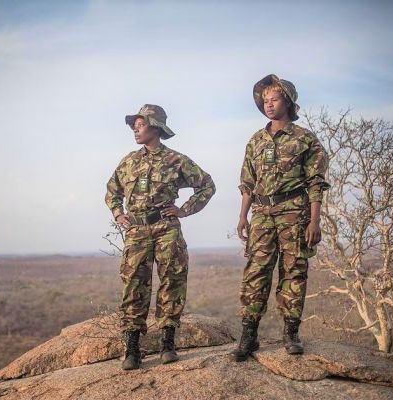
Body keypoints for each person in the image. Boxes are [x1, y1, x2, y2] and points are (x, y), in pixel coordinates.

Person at [105, 104, 215, 370]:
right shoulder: (128, 161)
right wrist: (119, 214)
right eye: (134, 125)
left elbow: (207, 185)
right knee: (134, 285)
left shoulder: (176, 160)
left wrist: (184, 210)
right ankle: (132, 349)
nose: (135, 129)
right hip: (137, 232)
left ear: (155, 128)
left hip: (167, 229)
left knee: (172, 282)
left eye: (140, 124)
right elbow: (112, 190)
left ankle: (168, 344)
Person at [231, 74, 330, 361]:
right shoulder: (256, 140)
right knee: (255, 273)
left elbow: (316, 182)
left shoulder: (305, 139)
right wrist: (242, 216)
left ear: (287, 101)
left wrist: (314, 221)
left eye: (274, 99)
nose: (268, 105)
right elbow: (247, 182)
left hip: (294, 214)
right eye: (265, 101)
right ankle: (249, 336)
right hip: (261, 214)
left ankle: (291, 333)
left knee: (293, 273)